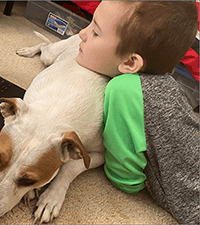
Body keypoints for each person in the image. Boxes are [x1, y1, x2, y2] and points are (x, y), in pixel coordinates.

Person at [77, 1, 199, 224]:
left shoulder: (123, 89)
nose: (80, 33)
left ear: (130, 62)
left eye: (95, 32)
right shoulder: (167, 85)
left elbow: (127, 179)